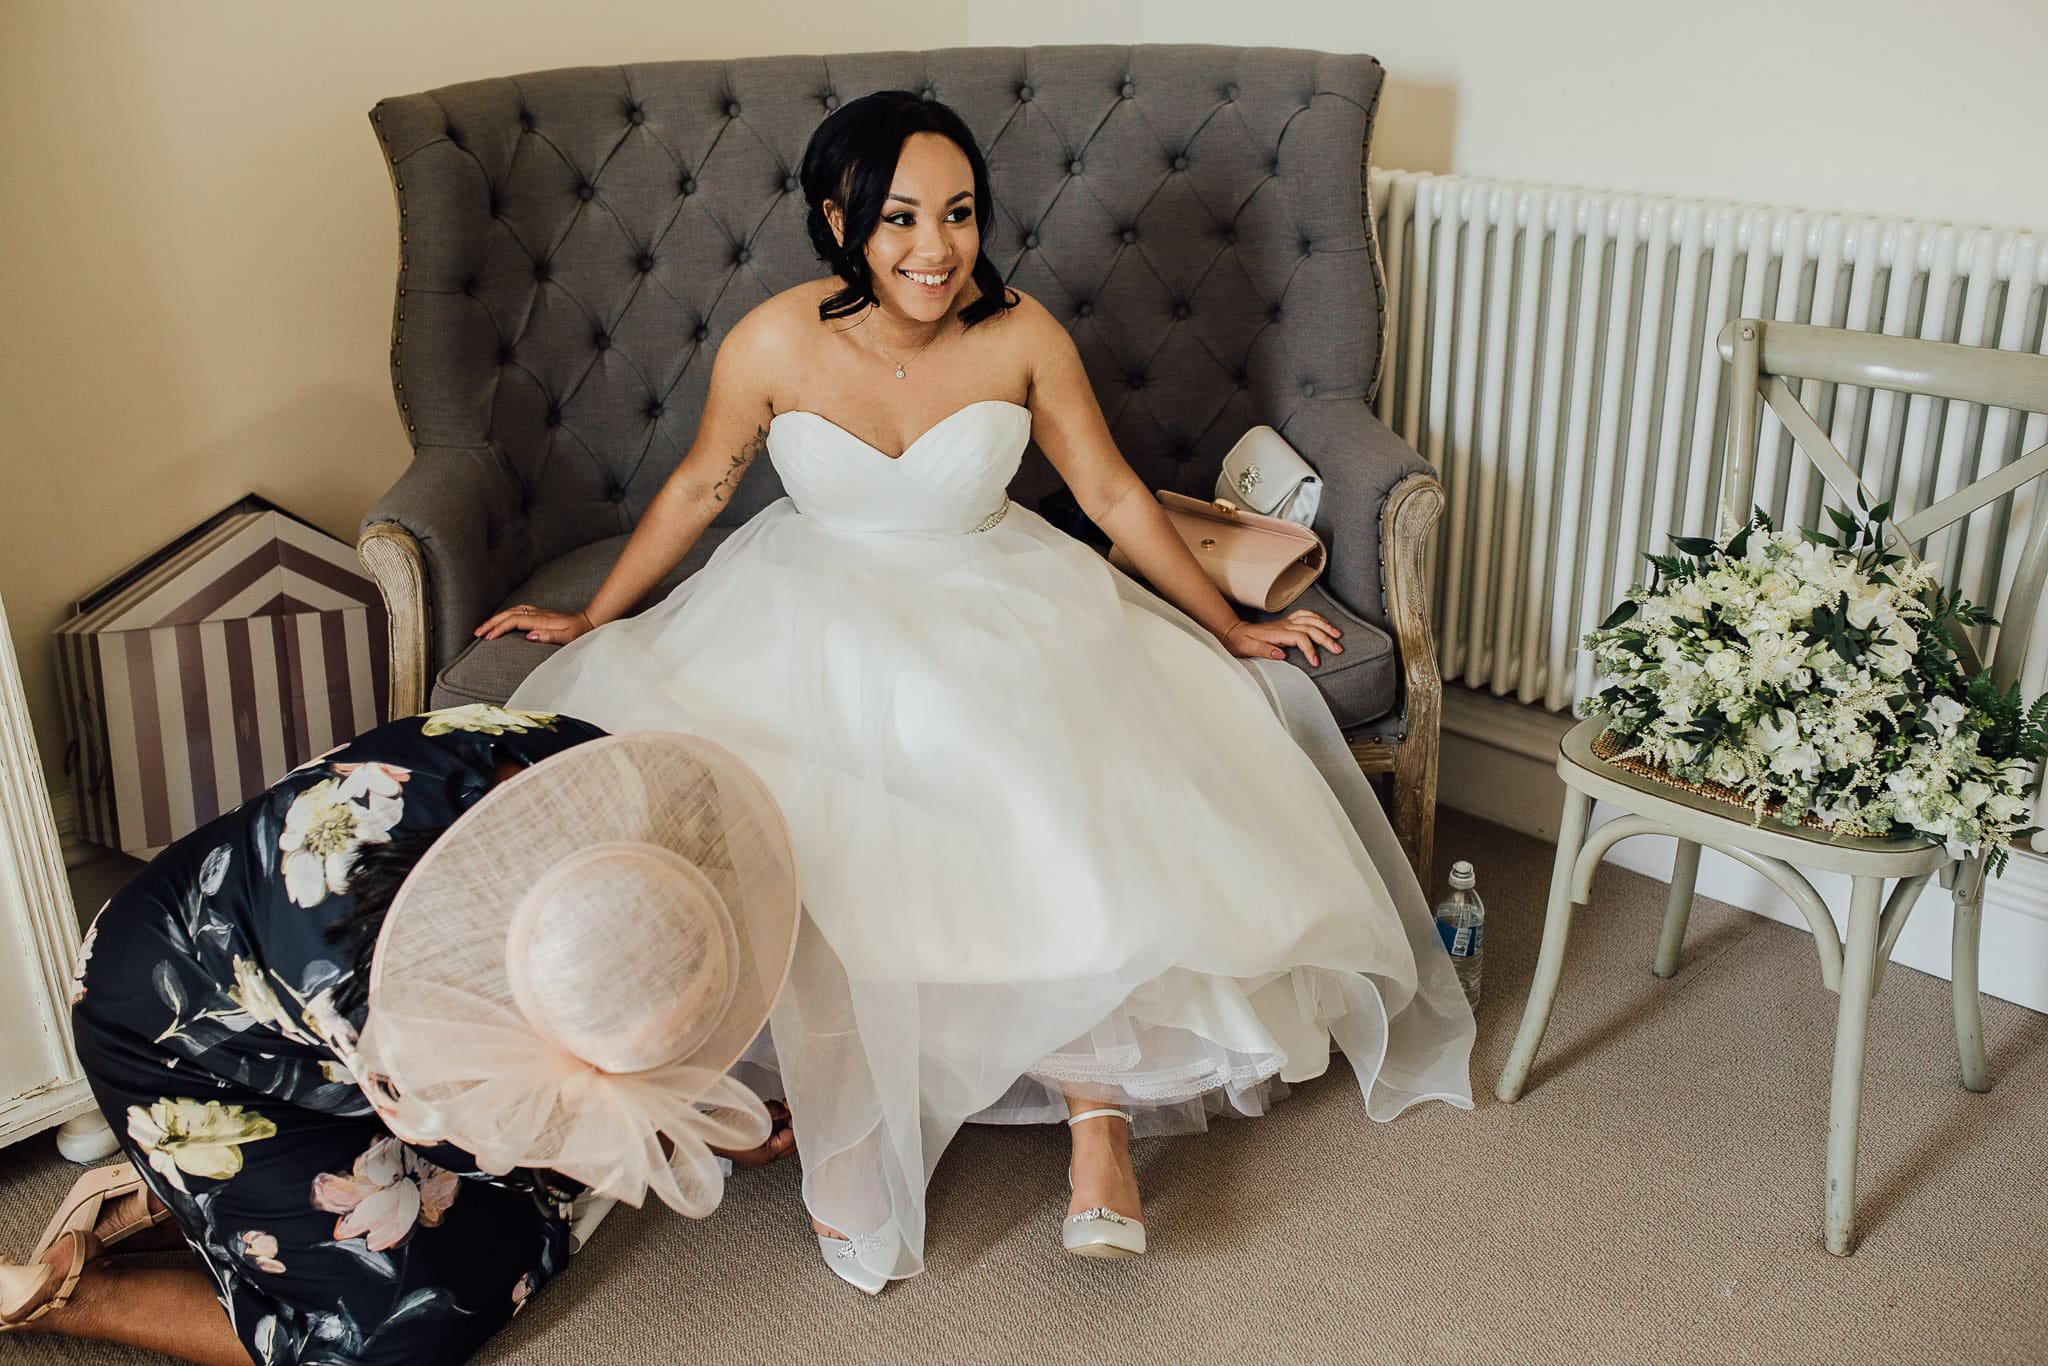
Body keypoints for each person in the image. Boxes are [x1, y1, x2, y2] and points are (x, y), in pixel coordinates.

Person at [481, 90, 1477, 1293]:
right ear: (836, 218)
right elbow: (700, 488)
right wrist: (595, 619)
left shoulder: (1018, 336)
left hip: (1002, 594)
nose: (935, 247)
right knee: (791, 809)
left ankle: (1097, 1123)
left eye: (957, 214)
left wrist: (1229, 621)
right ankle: (846, 1120)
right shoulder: (773, 341)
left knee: (1046, 783)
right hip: (806, 607)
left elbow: (1109, 497)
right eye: (899, 218)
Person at [0, 710, 800, 1365]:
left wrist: (682, 1094)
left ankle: (184, 1199)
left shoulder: (578, 773)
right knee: (404, 1328)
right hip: (171, 1040)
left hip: (293, 999)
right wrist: (688, 1131)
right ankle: (79, 1294)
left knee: (499, 1202)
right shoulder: (376, 985)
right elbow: (507, 1136)